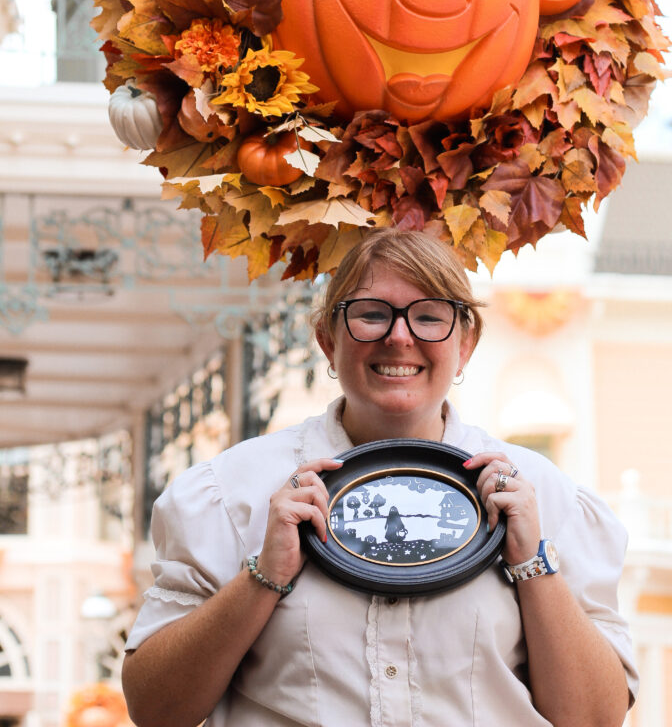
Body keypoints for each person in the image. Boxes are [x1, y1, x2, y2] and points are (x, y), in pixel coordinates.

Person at [122, 228, 637, 727]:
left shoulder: (547, 498)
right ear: (327, 338)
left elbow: (594, 719)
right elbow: (157, 711)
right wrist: (264, 577)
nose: (399, 336)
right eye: (370, 315)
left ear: (466, 342)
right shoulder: (230, 493)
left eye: (429, 317)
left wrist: (533, 566)